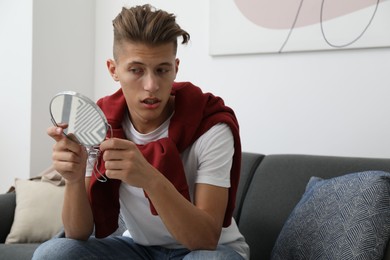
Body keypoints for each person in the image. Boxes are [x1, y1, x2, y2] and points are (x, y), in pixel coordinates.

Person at [33, 4, 249, 260]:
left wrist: (150, 178)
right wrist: (73, 179)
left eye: (162, 70)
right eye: (136, 70)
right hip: (139, 249)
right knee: (54, 254)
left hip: (208, 250)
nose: (151, 85)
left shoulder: (210, 126)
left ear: (175, 68)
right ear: (113, 70)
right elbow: (78, 232)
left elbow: (205, 239)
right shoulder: (101, 123)